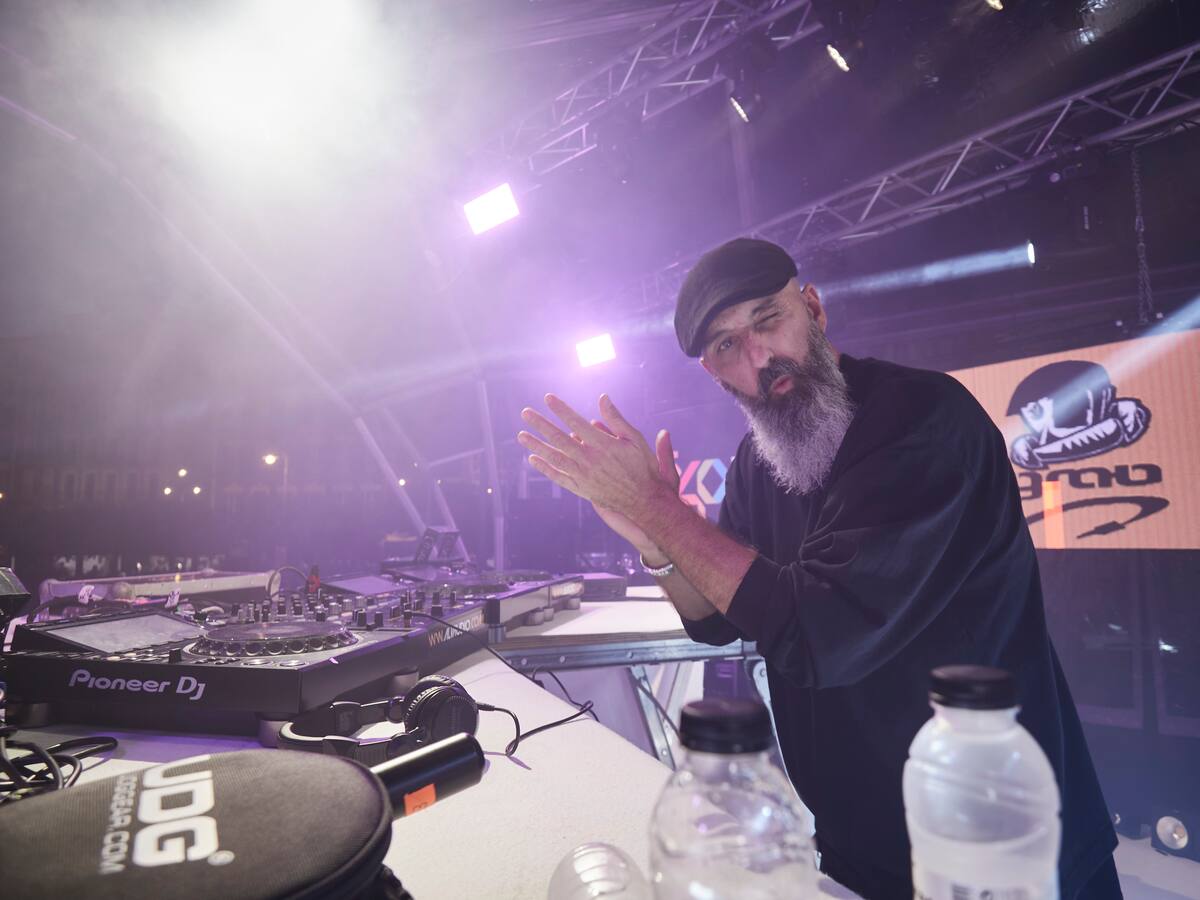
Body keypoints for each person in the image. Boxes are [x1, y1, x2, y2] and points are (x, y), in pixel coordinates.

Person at [517, 238, 1120, 899]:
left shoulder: (924, 420)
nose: (758, 356)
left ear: (813, 308)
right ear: (715, 374)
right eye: (727, 345)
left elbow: (820, 632)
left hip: (999, 840)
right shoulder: (756, 463)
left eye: (768, 318)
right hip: (859, 841)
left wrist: (659, 509)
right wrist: (657, 541)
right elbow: (715, 620)